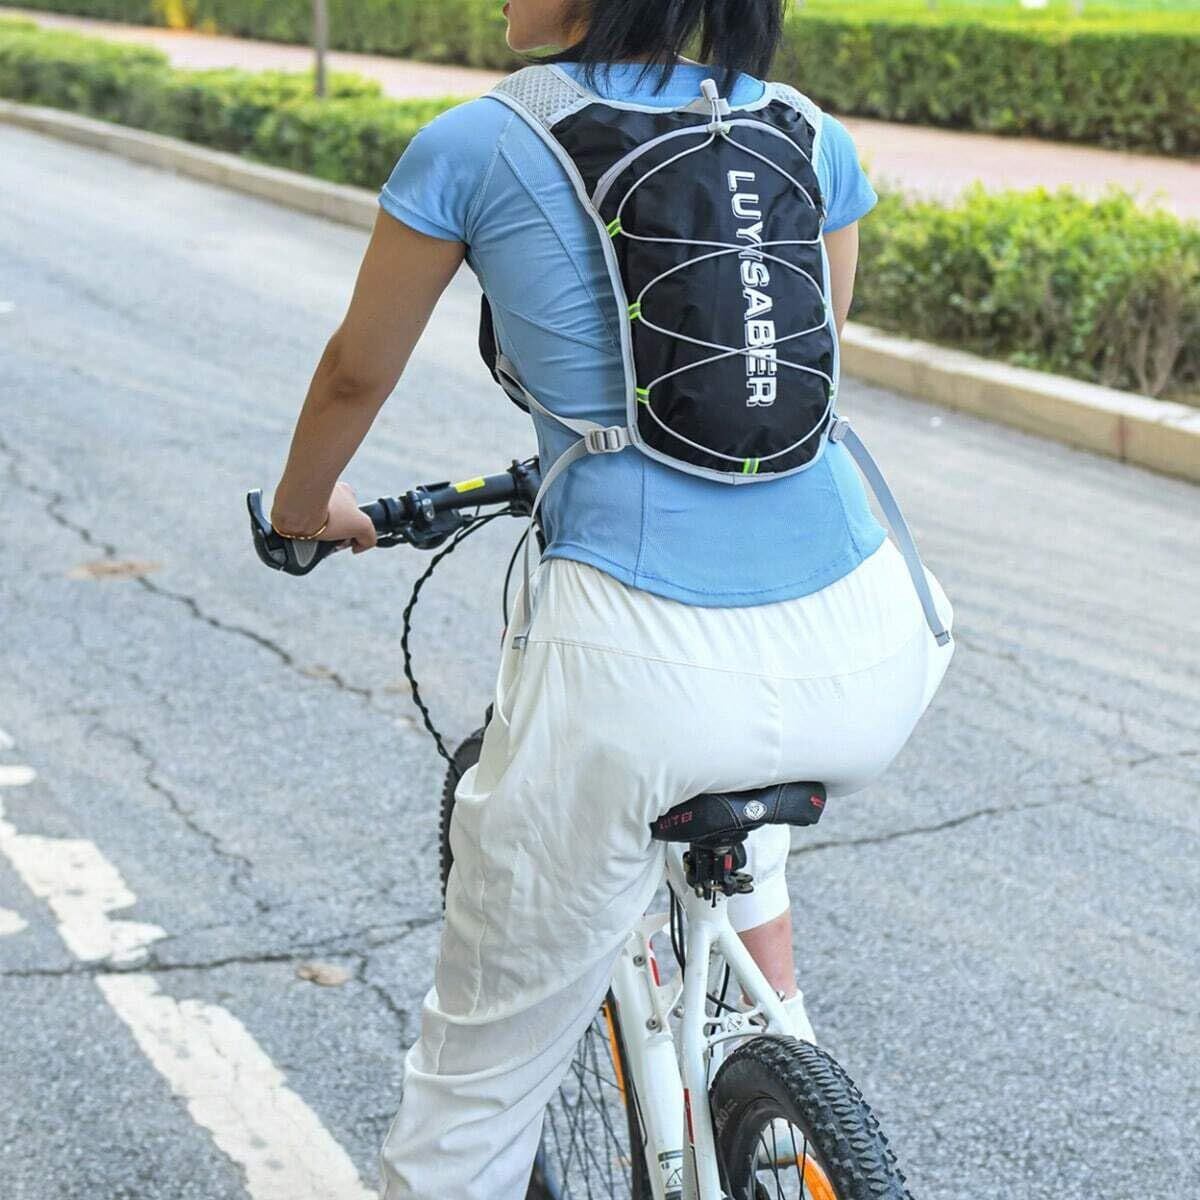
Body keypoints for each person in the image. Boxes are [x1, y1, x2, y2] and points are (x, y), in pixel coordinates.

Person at [269, 1, 955, 1196]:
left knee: (476, 1086)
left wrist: (300, 513)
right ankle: (775, 1064)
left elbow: (353, 373)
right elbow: (806, 363)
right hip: (872, 644)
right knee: (734, 776)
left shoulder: (480, 141)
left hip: (640, 663)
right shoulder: (806, 129)